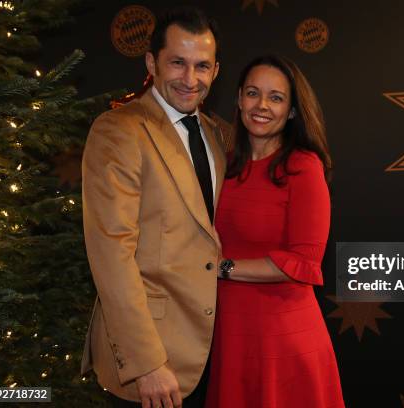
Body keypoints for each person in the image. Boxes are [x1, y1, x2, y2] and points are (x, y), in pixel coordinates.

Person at [80, 7, 225, 408]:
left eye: (202, 66)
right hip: (150, 364)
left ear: (215, 71)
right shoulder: (118, 131)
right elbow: (111, 254)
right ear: (151, 62)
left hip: (204, 354)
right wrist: (145, 362)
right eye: (177, 63)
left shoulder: (214, 134)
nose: (190, 79)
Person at [205, 55, 345, 407]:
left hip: (284, 342)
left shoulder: (303, 167)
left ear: (292, 110)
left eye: (276, 97)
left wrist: (221, 267)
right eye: (253, 93)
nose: (262, 105)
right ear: (238, 100)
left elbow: (304, 262)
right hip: (232, 338)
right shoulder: (223, 164)